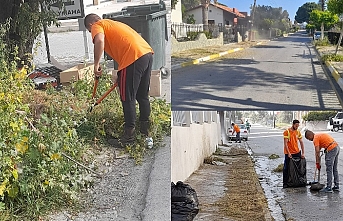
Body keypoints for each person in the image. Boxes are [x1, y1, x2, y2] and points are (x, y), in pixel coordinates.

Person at [84, 13, 154, 147]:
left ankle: (129, 137)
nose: (91, 34)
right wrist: (122, 73)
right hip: (146, 54)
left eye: (89, 31)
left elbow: (99, 41)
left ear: (90, 25)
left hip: (132, 57)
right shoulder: (114, 24)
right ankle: (145, 131)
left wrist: (96, 64)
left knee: (127, 97)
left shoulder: (97, 25)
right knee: (142, 96)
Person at [282, 120, 305, 188]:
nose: (297, 127)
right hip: (289, 153)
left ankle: (297, 181)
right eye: (296, 125)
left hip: (297, 152)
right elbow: (285, 143)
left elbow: (301, 142)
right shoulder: (287, 132)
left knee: (298, 167)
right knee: (286, 168)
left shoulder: (298, 132)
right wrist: (289, 153)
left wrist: (303, 153)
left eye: (298, 126)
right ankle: (285, 183)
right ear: (293, 124)